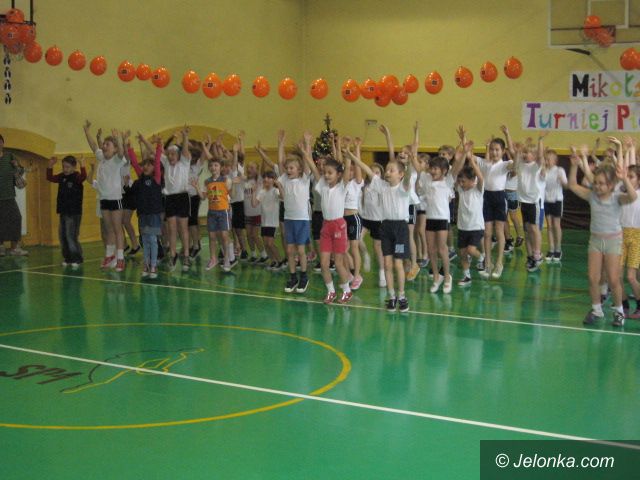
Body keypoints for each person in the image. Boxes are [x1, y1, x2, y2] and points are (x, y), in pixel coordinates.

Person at [567, 154, 637, 327]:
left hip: (613, 242)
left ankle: (619, 311)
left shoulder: (617, 198)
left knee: (614, 279)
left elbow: (633, 197)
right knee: (593, 278)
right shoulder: (592, 196)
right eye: (596, 183)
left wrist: (624, 179)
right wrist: (574, 166)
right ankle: (596, 310)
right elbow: (572, 185)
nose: (597, 186)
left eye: (601, 183)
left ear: (611, 185)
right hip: (596, 241)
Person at [347, 140, 413, 312]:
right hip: (386, 228)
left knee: (398, 264)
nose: (388, 172)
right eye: (387, 170)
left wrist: (411, 160)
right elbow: (367, 169)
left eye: (392, 170)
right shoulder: (381, 186)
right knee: (387, 263)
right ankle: (391, 296)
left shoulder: (403, 188)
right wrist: (353, 156)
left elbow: (408, 176)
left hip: (400, 229)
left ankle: (402, 295)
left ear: (400, 174)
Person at [301, 134, 353, 304]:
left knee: (338, 263)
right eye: (325, 173)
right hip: (326, 226)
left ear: (338, 175)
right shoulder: (322, 185)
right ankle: (331, 291)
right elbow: (313, 167)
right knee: (324, 263)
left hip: (338, 226)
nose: (327, 175)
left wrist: (347, 153)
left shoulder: (342, 187)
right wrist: (306, 149)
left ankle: (347, 291)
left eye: (330, 173)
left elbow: (346, 168)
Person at [418, 147, 466, 294]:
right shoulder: (427, 180)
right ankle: (436, 277)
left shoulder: (447, 181)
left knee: (442, 249)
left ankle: (447, 277)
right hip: (430, 218)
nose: (432, 171)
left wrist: (463, 153)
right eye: (431, 168)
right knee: (431, 250)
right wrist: (413, 154)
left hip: (442, 219)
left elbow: (456, 167)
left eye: (436, 169)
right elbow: (417, 167)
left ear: (444, 171)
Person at [83, 121, 127, 271]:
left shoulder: (117, 160)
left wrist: (118, 139)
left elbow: (121, 153)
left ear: (114, 149)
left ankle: (120, 258)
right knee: (108, 229)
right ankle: (109, 256)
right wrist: (86, 131)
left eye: (108, 144)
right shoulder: (101, 157)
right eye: (105, 144)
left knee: (117, 229)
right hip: (103, 199)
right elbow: (93, 145)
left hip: (115, 199)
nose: (105, 146)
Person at [277, 130, 311, 294]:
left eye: (292, 168)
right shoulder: (284, 179)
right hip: (289, 219)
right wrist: (281, 143)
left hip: (302, 219)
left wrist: (307, 144)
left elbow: (307, 161)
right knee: (290, 250)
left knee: (301, 250)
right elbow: (280, 161)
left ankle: (304, 276)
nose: (289, 170)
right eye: (287, 168)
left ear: (299, 169)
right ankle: (293, 277)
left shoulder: (304, 180)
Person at [477, 132, 514, 279]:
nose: (494, 152)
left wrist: (508, 137)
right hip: (486, 197)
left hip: (499, 198)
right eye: (492, 149)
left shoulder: (504, 165)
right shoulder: (485, 164)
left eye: (497, 149)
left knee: (499, 231)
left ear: (503, 151)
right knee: (487, 233)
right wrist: (463, 140)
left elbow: (515, 165)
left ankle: (499, 263)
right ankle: (488, 263)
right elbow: (469, 156)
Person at [128, 136, 163, 279]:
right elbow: (134, 164)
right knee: (145, 240)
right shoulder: (140, 178)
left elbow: (157, 160)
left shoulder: (156, 178)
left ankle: (153, 265)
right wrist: (129, 148)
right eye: (144, 165)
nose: (146, 167)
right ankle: (146, 264)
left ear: (154, 168)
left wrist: (159, 146)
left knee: (153, 240)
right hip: (143, 214)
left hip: (154, 214)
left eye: (149, 165)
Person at [195, 158, 238, 272]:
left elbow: (232, 195)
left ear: (220, 167)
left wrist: (233, 184)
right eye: (211, 165)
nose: (213, 167)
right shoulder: (207, 181)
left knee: (224, 236)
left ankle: (227, 259)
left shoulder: (226, 180)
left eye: (216, 165)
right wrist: (197, 187)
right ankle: (213, 259)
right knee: (212, 236)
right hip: (212, 212)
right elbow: (203, 197)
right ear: (209, 168)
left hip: (223, 211)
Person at [161, 127, 192, 272]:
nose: (170, 156)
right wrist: (144, 141)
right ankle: (173, 255)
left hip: (182, 197)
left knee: (183, 228)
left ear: (179, 155)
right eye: (169, 154)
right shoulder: (166, 163)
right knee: (171, 228)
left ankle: (186, 255)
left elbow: (185, 151)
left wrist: (185, 137)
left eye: (173, 154)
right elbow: (157, 151)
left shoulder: (184, 163)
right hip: (170, 198)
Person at [46, 155, 86, 268]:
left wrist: (83, 165)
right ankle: (67, 258)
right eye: (63, 166)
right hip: (63, 211)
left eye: (68, 167)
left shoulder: (77, 177)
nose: (65, 169)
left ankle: (77, 258)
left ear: (74, 167)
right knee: (62, 236)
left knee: (71, 235)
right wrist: (50, 165)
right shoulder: (62, 176)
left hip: (73, 212)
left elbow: (83, 177)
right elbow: (50, 178)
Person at [514, 134, 547, 273]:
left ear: (533, 155)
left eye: (527, 153)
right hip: (524, 202)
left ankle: (537, 254)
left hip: (533, 202)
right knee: (527, 230)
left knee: (534, 228)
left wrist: (539, 140)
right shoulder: (521, 164)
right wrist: (519, 149)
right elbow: (516, 157)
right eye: (524, 152)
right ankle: (530, 257)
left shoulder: (536, 166)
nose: (524, 154)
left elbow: (541, 156)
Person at [455, 148, 484, 286]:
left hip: (475, 227)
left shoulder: (478, 191)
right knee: (463, 254)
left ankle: (482, 258)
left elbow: (481, 177)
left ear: (473, 181)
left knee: (471, 250)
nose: (461, 183)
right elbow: (456, 175)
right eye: (460, 181)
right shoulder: (461, 190)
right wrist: (459, 159)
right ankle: (467, 276)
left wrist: (472, 161)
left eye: (464, 181)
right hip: (462, 227)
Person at [0, 134, 28, 256]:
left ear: (3, 143)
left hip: (9, 195)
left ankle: (15, 247)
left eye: (0, 141)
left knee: (16, 218)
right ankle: (0, 247)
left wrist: (16, 165)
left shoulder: (10, 156)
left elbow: (20, 171)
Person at [359, 162, 386, 287]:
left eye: (377, 172)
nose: (374, 174)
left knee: (377, 248)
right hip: (365, 218)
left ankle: (382, 273)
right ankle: (365, 255)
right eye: (372, 172)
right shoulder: (364, 186)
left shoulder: (382, 186)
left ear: (381, 175)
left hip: (378, 220)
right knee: (358, 239)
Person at [252, 171, 282, 269]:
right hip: (264, 222)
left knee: (270, 243)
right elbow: (254, 204)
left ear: (274, 180)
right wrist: (254, 191)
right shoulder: (262, 192)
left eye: (269, 178)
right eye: (264, 177)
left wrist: (279, 185)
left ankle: (280, 261)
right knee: (265, 244)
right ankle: (273, 261)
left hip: (273, 222)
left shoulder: (275, 191)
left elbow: (282, 197)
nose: (266, 179)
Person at [543, 148, 567, 262]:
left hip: (557, 200)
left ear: (555, 160)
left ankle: (558, 249)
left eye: (549, 159)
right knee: (549, 225)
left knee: (556, 225)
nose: (547, 161)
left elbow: (566, 185)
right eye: (545, 159)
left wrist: (562, 181)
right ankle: (551, 249)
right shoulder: (543, 171)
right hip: (546, 200)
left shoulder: (559, 170)